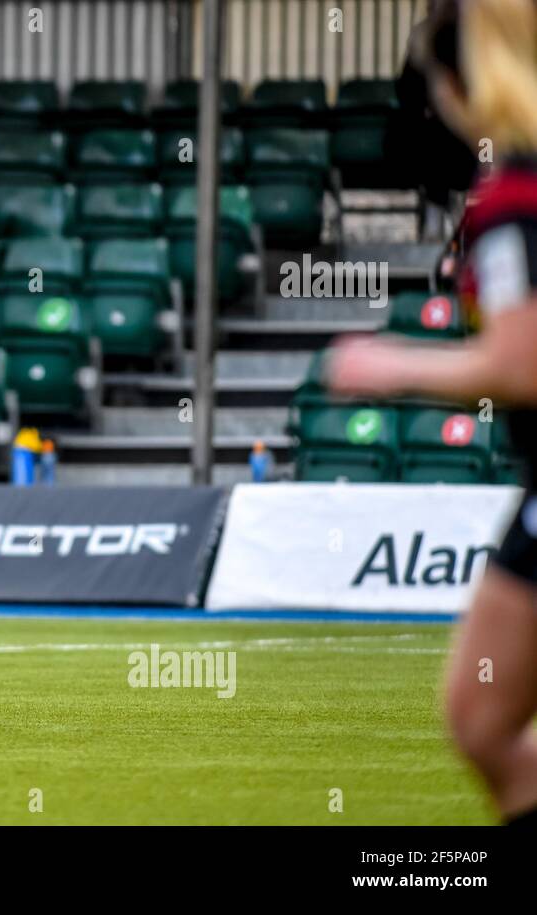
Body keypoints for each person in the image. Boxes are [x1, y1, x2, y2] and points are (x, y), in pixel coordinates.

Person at [327, 0, 537, 825]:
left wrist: (384, 364)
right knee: (480, 721)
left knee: (480, 721)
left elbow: (522, 362)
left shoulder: (512, 199)